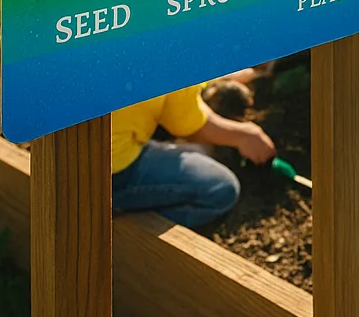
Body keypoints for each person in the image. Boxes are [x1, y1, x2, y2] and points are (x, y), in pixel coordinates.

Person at [112, 83, 275, 228]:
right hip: (109, 171)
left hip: (98, 144)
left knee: (194, 153)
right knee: (221, 189)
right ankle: (121, 230)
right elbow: (187, 125)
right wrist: (243, 136)